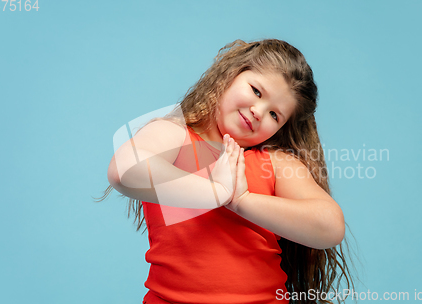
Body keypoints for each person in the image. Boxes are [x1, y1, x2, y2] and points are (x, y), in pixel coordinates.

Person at [98, 39, 355, 304]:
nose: (258, 112)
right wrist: (213, 192)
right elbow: (124, 169)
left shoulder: (276, 163)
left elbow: (330, 226)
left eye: (275, 115)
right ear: (230, 75)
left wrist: (241, 201)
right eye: (256, 91)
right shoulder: (175, 137)